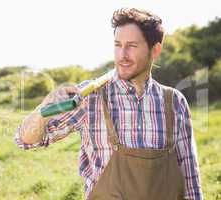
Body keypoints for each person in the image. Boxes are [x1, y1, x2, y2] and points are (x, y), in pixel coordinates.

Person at [15, 8, 202, 200]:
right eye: (117, 45)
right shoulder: (90, 96)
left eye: (131, 46)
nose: (122, 55)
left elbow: (190, 178)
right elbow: (27, 140)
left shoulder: (174, 101)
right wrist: (44, 108)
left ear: (155, 50)